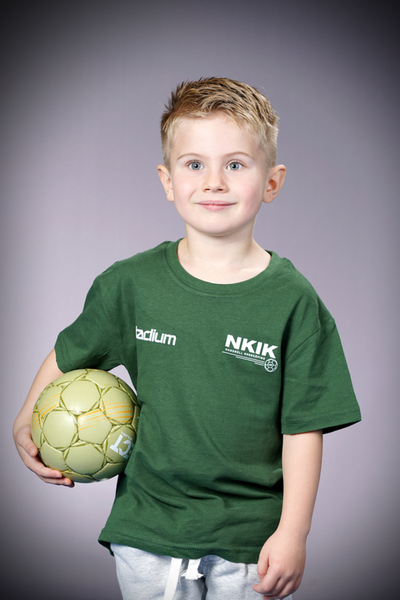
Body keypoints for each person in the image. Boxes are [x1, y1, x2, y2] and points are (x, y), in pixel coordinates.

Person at [13, 77, 361, 600]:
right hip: (147, 525)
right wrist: (25, 419)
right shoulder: (130, 285)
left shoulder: (294, 301)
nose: (213, 182)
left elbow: (303, 430)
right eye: (194, 164)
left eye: (236, 165)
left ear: (272, 181)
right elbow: (67, 355)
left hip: (250, 537)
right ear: (168, 180)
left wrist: (293, 533)